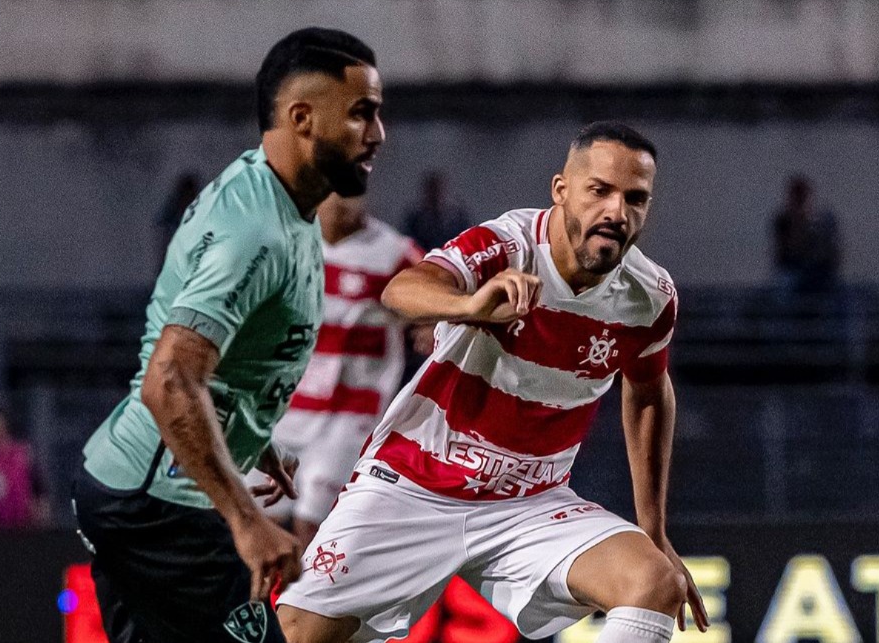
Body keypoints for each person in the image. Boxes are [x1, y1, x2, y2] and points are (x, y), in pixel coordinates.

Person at [277, 121, 709, 643]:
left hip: (529, 502)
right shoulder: (507, 246)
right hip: (415, 484)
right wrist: (468, 306)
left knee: (654, 581)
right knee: (297, 634)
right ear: (561, 190)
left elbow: (646, 392)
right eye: (600, 191)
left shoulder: (650, 295)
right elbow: (401, 290)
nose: (617, 212)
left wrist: (654, 529)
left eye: (635, 199)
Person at [72, 27, 385, 643]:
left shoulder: (279, 196)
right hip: (159, 507)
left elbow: (215, 362)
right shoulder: (256, 232)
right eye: (361, 114)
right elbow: (170, 380)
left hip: (136, 492)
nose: (378, 134)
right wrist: (247, 522)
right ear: (302, 118)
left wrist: (247, 434)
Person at [266, 192, 425, 546]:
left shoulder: (393, 253)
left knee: (314, 528)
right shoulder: (286, 242)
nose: (342, 199)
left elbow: (438, 289)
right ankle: (267, 604)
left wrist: (431, 324)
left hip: (348, 417)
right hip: (285, 411)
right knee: (265, 528)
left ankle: (309, 603)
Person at [772, 174, 840, 294]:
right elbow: (789, 250)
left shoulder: (819, 222)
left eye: (803, 197)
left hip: (817, 272)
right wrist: (798, 223)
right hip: (791, 271)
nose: (800, 201)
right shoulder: (783, 221)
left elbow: (830, 253)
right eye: (797, 197)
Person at [401, 171, 471, 251]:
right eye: (433, 190)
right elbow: (409, 246)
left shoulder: (458, 221)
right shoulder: (414, 221)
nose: (436, 195)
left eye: (438, 190)